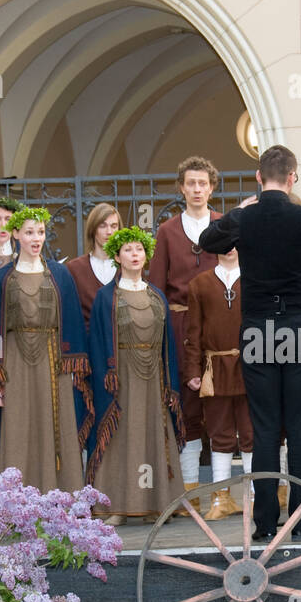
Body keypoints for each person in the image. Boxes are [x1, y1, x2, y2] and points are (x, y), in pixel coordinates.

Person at [201, 145, 301, 540]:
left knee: (266, 427)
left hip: (258, 329)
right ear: (293, 177)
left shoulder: (243, 217)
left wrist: (239, 212)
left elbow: (209, 240)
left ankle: (264, 524)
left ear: (258, 177)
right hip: (298, 329)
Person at [0, 207, 91, 492]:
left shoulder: (60, 274)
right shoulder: (3, 278)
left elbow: (73, 322)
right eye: (29, 232)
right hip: (15, 362)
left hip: (54, 361)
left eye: (40, 232)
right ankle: (17, 503)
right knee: (19, 426)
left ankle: (61, 498)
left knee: (57, 426)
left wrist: (73, 366)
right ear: (16, 234)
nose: (35, 238)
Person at [87, 225, 184, 525]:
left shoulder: (156, 295)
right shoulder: (106, 297)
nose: (134, 255)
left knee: (152, 433)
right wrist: (107, 379)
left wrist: (169, 383)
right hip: (121, 379)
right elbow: (98, 342)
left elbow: (168, 343)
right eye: (128, 250)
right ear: (117, 256)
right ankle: (116, 506)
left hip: (153, 377)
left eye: (139, 249)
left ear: (146, 255)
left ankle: (155, 504)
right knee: (121, 438)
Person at [149, 156, 223, 507]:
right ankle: (190, 490)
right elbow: (156, 288)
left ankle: (223, 492)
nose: (196, 189)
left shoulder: (225, 226)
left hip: (220, 326)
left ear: (211, 187)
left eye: (202, 183)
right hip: (180, 328)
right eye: (190, 183)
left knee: (223, 403)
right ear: (181, 188)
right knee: (187, 406)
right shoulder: (166, 231)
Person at [184, 245, 252, 519]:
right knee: (219, 431)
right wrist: (193, 369)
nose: (230, 248)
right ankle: (221, 497)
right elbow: (194, 330)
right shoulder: (199, 283)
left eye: (235, 241)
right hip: (214, 368)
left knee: (251, 432)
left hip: (251, 366)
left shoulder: (255, 277)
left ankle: (254, 496)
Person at [66, 203, 120, 323]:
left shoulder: (128, 267)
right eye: (102, 226)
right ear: (93, 229)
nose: (109, 231)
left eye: (114, 226)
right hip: (88, 339)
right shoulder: (74, 269)